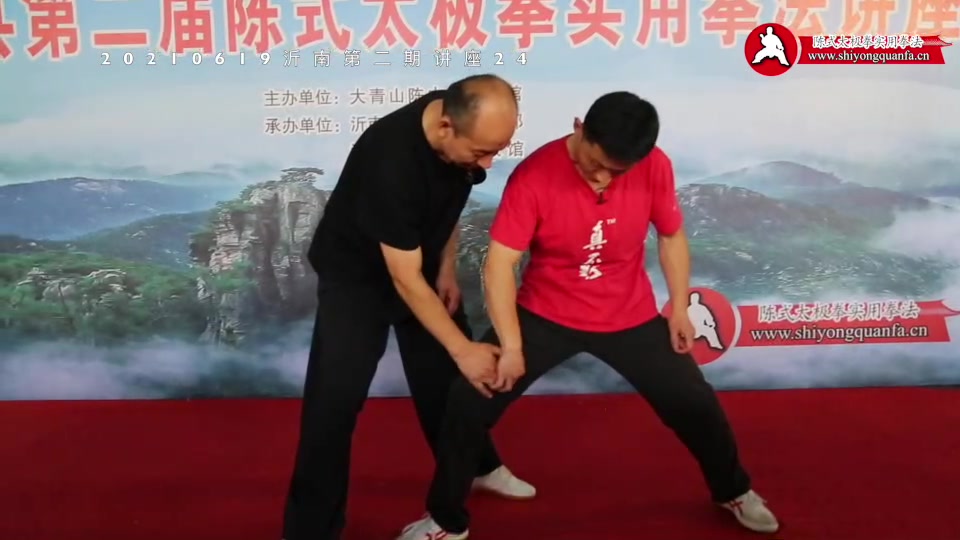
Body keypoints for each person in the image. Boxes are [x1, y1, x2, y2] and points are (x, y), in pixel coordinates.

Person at [397, 92, 780, 539]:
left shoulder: (654, 166)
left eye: (616, 172)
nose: (601, 178)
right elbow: (500, 264)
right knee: (468, 398)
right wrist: (513, 346)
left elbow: (671, 235)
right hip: (545, 312)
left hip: (629, 313)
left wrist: (678, 306)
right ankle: (447, 521)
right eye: (595, 163)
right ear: (579, 127)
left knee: (695, 403)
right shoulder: (535, 176)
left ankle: (734, 490)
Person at [282, 74, 537, 540]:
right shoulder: (390, 160)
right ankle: (311, 528)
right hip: (358, 280)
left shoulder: (458, 127)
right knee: (333, 404)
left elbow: (450, 201)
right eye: (482, 152)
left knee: (448, 384)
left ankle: (479, 467)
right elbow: (402, 278)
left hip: (421, 264)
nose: (489, 162)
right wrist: (463, 348)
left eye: (496, 150)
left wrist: (446, 266)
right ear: (445, 127)